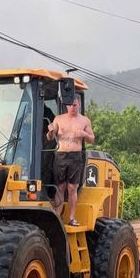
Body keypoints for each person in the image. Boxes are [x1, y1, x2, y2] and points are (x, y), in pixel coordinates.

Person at [47, 95, 95, 226]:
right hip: (61, 155)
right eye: (70, 105)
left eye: (74, 105)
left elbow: (92, 139)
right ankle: (57, 217)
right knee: (60, 187)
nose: (72, 108)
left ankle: (72, 217)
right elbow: (50, 137)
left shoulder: (84, 120)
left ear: (79, 104)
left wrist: (84, 134)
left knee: (72, 187)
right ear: (66, 105)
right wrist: (50, 132)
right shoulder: (59, 119)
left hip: (75, 156)